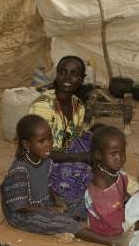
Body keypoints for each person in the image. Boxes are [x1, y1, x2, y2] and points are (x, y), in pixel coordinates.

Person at [28, 56, 92, 219]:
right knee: (83, 173)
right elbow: (39, 153)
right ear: (56, 74)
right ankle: (64, 203)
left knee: (102, 150)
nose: (67, 78)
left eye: (74, 74)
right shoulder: (43, 106)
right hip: (39, 163)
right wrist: (83, 157)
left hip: (63, 156)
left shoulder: (78, 106)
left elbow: (73, 141)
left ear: (82, 79)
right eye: (63, 72)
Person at [0, 114, 84, 235]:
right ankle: (111, 241)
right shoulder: (19, 169)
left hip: (44, 204)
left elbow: (47, 185)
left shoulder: (46, 161)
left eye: (50, 138)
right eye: (41, 141)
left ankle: (65, 218)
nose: (48, 143)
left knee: (82, 203)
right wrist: (48, 210)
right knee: (65, 223)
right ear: (26, 144)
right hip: (24, 215)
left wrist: (56, 199)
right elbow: (20, 206)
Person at [82, 125, 136, 246]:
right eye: (113, 154)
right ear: (98, 155)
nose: (120, 158)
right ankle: (115, 241)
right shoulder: (101, 182)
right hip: (106, 228)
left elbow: (124, 195)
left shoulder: (116, 173)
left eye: (122, 152)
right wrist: (129, 223)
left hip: (117, 216)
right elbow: (108, 217)